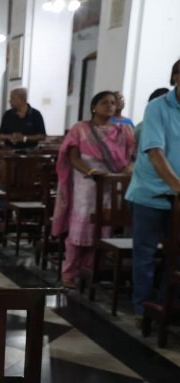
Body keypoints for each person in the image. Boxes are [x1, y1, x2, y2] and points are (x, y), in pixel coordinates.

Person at [51, 90, 136, 289]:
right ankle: (69, 272)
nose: (110, 106)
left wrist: (125, 173)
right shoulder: (80, 129)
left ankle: (91, 270)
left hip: (111, 182)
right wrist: (90, 171)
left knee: (103, 226)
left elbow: (130, 157)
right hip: (86, 182)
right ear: (94, 107)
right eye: (105, 102)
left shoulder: (123, 131)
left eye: (113, 103)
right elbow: (73, 158)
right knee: (80, 228)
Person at [125, 59, 180, 320]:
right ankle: (142, 308)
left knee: (176, 254)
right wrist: (178, 186)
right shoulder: (157, 108)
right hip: (150, 193)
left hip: (177, 197)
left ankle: (168, 305)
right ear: (176, 78)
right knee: (145, 254)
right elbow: (155, 153)